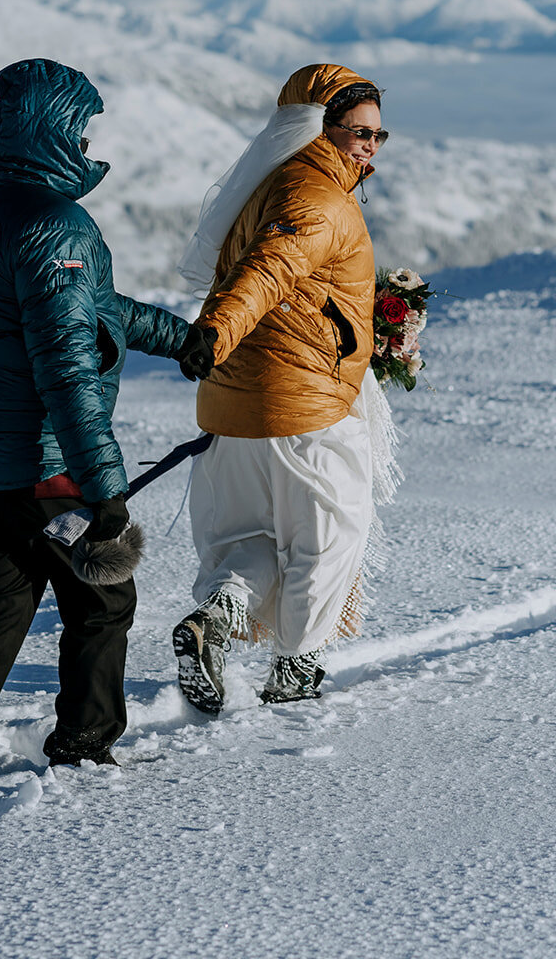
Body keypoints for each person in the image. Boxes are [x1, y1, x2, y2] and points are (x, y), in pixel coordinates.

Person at [0, 58, 197, 799]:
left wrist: (181, 337)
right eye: (82, 126)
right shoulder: (55, 224)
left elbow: (91, 310)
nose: (90, 141)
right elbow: (67, 370)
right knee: (103, 602)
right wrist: (107, 492)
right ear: (53, 129)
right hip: (46, 463)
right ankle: (85, 747)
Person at [173, 62, 396, 709]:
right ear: (317, 128)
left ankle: (215, 617)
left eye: (379, 135)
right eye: (357, 131)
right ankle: (296, 670)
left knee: (250, 540)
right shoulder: (316, 195)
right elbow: (269, 272)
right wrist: (214, 330)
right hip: (303, 405)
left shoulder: (270, 183)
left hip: (232, 402)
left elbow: (292, 280)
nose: (369, 146)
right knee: (328, 538)